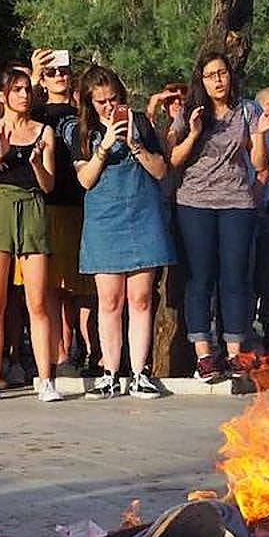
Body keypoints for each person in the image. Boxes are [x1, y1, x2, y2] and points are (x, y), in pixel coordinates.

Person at [72, 65, 176, 399]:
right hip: (105, 219)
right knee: (110, 299)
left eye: (113, 99)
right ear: (90, 102)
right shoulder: (82, 131)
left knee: (141, 298)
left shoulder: (141, 123)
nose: (107, 106)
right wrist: (104, 147)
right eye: (100, 101)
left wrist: (134, 144)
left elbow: (160, 171)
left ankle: (138, 372)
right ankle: (109, 371)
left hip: (142, 213)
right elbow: (85, 180)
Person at [168, 51, 269, 381]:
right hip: (195, 201)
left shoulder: (248, 110)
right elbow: (174, 158)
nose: (218, 80)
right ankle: (204, 355)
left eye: (222, 73)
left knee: (235, 274)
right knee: (200, 276)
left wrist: (260, 134)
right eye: (211, 74)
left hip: (236, 201)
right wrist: (195, 132)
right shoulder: (190, 111)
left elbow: (260, 163)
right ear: (201, 79)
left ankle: (235, 352)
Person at [0, 67, 61, 403]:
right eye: (17, 89)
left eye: (27, 89)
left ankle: (45, 378)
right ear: (2, 95)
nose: (24, 95)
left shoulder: (44, 131)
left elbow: (48, 184)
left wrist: (36, 163)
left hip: (33, 208)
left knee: (37, 301)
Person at [30, 47, 95, 373]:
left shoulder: (83, 111)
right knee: (53, 286)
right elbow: (16, 117)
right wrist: (31, 76)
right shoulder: (38, 112)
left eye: (64, 71)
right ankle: (59, 352)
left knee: (81, 286)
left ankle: (86, 349)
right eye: (52, 72)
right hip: (49, 203)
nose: (59, 76)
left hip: (83, 202)